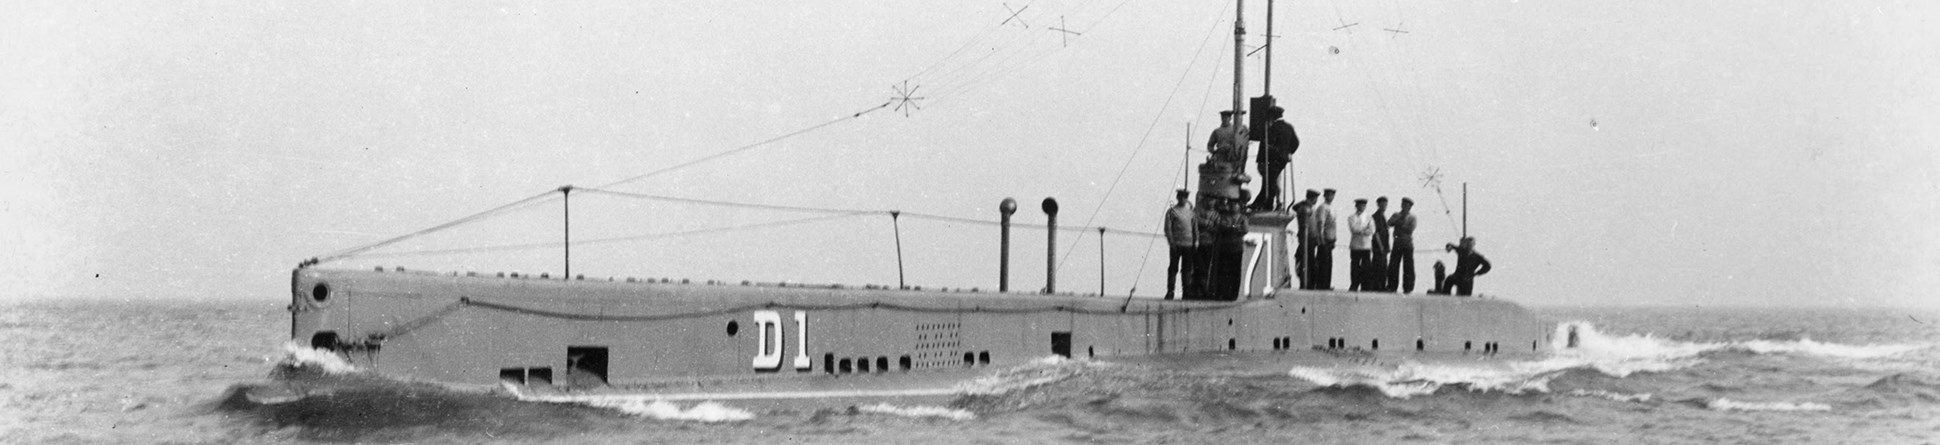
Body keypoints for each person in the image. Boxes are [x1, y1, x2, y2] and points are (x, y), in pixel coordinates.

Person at [1250, 106, 1299, 211]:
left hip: (1272, 159)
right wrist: (1289, 152)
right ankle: (1263, 203)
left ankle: (1264, 204)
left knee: (1269, 182)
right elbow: (1296, 142)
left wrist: (1262, 159)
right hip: (1283, 159)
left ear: (1272, 116)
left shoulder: (1273, 128)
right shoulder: (1289, 127)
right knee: (1270, 181)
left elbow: (1267, 145)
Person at [1207, 198, 1250, 300]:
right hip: (1226, 248)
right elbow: (1223, 226)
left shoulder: (1242, 218)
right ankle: (1223, 293)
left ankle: (1233, 294)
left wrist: (1232, 227)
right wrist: (1234, 227)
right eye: (1232, 204)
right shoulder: (1225, 217)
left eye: (1235, 204)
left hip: (1236, 249)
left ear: (1239, 206)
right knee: (1224, 273)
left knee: (1235, 273)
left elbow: (1245, 229)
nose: (1233, 206)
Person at [1162, 189, 1198, 300]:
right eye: (1181, 197)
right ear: (1178, 198)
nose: (1183, 199)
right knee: (1173, 268)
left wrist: (1196, 242)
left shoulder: (1191, 213)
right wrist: (1171, 241)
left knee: (1187, 269)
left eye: (1185, 197)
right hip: (1176, 244)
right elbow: (1168, 228)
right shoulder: (1172, 212)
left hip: (1188, 245)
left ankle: (1186, 291)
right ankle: (1170, 291)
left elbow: (1195, 229)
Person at [1387, 198, 1419, 293]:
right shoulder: (1396, 215)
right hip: (1397, 243)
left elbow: (1410, 229)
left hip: (1407, 245)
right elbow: (1389, 223)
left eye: (1407, 205)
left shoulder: (1412, 217)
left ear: (1410, 207)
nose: (1405, 207)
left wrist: (1399, 223)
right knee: (1393, 266)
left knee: (1408, 267)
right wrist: (1399, 221)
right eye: (1403, 204)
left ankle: (1408, 287)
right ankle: (1392, 286)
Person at [1290, 189, 1319, 289]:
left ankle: (1309, 283)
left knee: (1310, 262)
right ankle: (1306, 283)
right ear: (1312, 198)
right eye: (1315, 198)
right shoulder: (1305, 209)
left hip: (1310, 240)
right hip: (1307, 240)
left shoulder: (1308, 208)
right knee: (1308, 262)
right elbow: (1305, 227)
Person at [1347, 198, 1373, 291]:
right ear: (1356, 206)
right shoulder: (1351, 217)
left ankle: (1365, 286)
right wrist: (1364, 229)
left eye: (1363, 205)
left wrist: (1361, 230)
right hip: (1355, 245)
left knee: (1366, 267)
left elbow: (1371, 230)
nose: (1361, 207)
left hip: (1366, 245)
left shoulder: (1369, 217)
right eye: (1359, 205)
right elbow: (1353, 229)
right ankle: (1354, 284)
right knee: (1355, 266)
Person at [1315, 189, 1339, 290]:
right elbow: (1321, 224)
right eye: (1329, 195)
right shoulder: (1323, 207)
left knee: (1328, 264)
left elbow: (1333, 224)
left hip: (1330, 239)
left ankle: (1326, 285)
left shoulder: (1332, 208)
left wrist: (1334, 238)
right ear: (1325, 196)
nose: (1331, 197)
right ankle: (1321, 285)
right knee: (1323, 264)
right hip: (1324, 239)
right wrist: (1321, 239)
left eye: (1332, 195)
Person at [1370, 197, 1391, 291]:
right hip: (1378, 246)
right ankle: (1377, 286)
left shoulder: (1383, 216)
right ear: (1378, 204)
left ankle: (1381, 285)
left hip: (1383, 247)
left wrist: (1387, 246)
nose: (1384, 206)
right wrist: (1381, 246)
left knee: (1383, 266)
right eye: (1382, 204)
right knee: (1378, 265)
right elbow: (1376, 233)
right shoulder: (1376, 216)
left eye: (1385, 204)